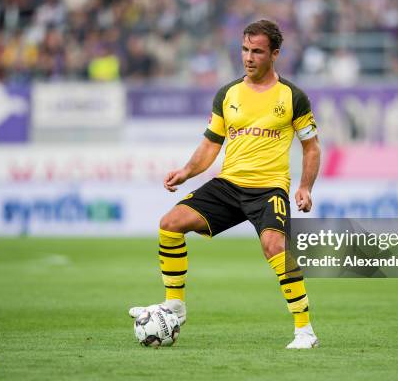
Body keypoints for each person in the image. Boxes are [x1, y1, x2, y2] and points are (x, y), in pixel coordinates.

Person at [129, 19, 321, 349]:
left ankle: (305, 331)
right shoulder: (228, 94)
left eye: (257, 51)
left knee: (275, 246)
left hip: (269, 188)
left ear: (274, 54)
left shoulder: (293, 97)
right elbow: (210, 144)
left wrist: (305, 187)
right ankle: (175, 305)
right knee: (170, 224)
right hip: (229, 185)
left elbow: (311, 146)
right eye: (245, 49)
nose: (248, 57)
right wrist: (187, 171)